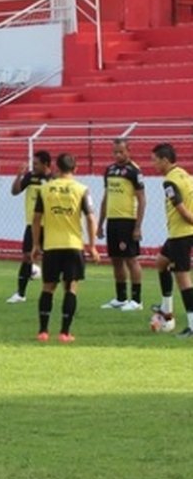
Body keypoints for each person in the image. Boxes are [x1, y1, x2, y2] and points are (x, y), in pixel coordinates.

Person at [30, 153, 99, 343]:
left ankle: (43, 331)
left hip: (52, 246)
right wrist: (92, 246)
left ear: (57, 169)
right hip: (73, 245)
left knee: (48, 287)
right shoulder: (82, 189)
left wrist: (36, 244)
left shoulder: (45, 189)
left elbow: (36, 219)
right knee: (71, 288)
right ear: (75, 169)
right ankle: (64, 333)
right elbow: (91, 218)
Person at [147, 143, 193, 337]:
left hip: (181, 233)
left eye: (155, 160)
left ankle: (192, 326)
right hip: (180, 233)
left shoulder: (169, 182)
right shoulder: (186, 175)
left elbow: (182, 210)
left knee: (183, 278)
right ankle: (166, 308)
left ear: (165, 160)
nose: (153, 164)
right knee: (161, 263)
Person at [97, 138, 146, 311]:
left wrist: (138, 226)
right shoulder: (109, 170)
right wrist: (100, 223)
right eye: (115, 152)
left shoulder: (134, 171)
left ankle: (137, 300)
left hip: (127, 220)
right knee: (116, 260)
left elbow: (141, 200)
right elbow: (106, 197)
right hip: (112, 221)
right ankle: (120, 297)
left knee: (131, 259)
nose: (118, 155)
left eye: (121, 151)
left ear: (128, 151)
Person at [6, 150, 52, 303]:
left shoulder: (53, 179)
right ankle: (20, 293)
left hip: (50, 225)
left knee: (50, 259)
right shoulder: (30, 176)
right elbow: (15, 192)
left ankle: (48, 292)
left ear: (46, 164)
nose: (34, 166)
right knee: (27, 256)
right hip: (32, 225)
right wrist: (19, 175)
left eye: (36, 163)